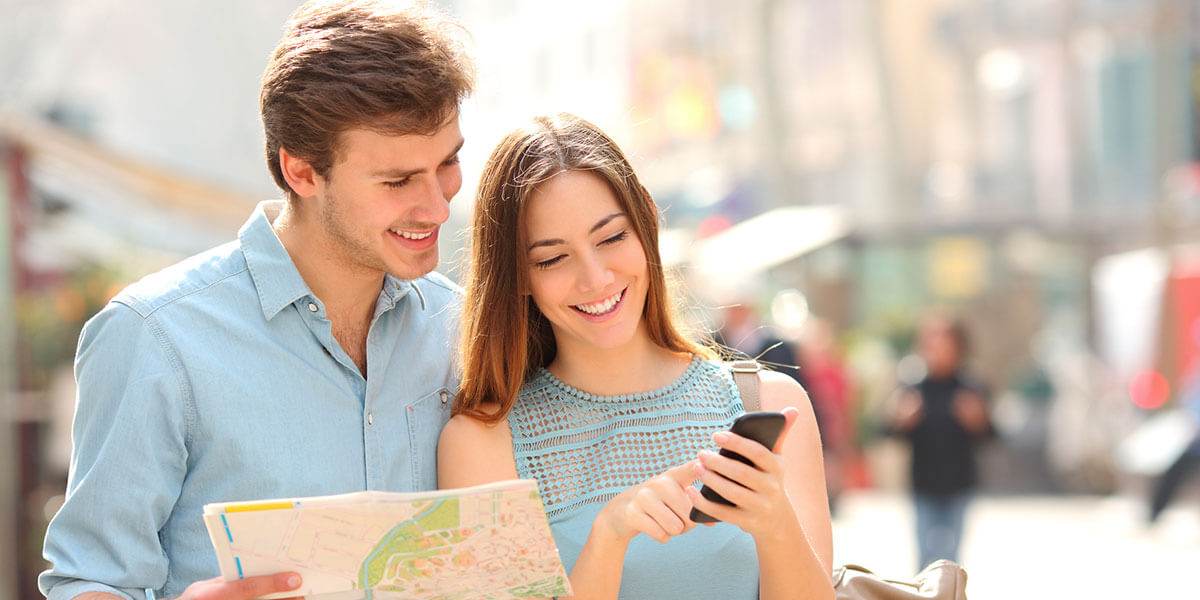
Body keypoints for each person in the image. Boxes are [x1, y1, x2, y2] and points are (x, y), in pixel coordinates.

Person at [39, 2, 473, 599]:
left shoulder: (461, 326)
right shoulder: (154, 338)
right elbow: (89, 580)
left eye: (447, 163)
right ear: (301, 171)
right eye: (397, 181)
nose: (437, 206)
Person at [438, 114, 833, 599]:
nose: (596, 278)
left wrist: (776, 525)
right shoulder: (483, 443)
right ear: (518, 274)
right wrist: (609, 537)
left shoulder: (764, 402)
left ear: (647, 220)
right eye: (552, 258)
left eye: (611, 237)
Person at [886, 311, 992, 570]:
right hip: (923, 483)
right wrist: (902, 419)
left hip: (959, 482)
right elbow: (887, 431)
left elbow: (992, 434)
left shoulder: (971, 385)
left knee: (951, 560)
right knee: (924, 558)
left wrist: (977, 420)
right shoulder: (912, 385)